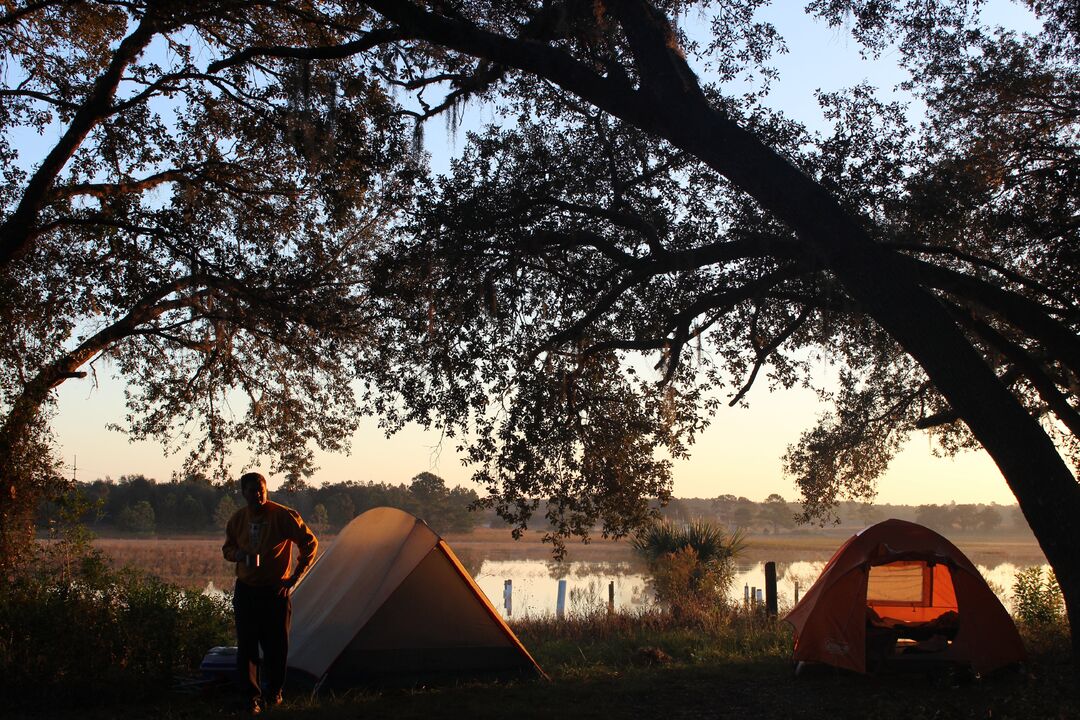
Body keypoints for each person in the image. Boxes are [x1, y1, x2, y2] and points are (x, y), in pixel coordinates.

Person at [222, 471, 318, 715]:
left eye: (261, 490)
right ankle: (250, 698)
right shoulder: (237, 519)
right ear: (243, 493)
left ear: (266, 490)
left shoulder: (283, 516)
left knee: (276, 646)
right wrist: (238, 555)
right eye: (252, 491)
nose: (257, 496)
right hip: (246, 590)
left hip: (274, 590)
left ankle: (274, 693)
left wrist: (296, 576)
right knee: (246, 646)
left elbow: (309, 543)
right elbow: (227, 548)